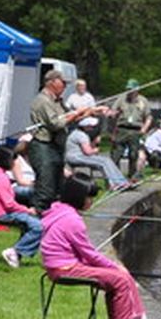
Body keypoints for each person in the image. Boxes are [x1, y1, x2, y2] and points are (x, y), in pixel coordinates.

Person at [40, 175, 148, 319]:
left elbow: (83, 252)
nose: (91, 201)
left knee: (115, 278)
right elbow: (89, 254)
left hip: (56, 266)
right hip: (64, 268)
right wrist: (116, 266)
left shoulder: (58, 210)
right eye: (89, 197)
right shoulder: (73, 220)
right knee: (120, 279)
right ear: (78, 197)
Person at [28, 69, 93, 214]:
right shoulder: (42, 100)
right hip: (43, 146)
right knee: (45, 186)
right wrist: (75, 113)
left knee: (58, 186)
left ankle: (53, 217)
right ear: (52, 82)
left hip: (56, 147)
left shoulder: (57, 101)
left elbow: (68, 119)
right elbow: (56, 124)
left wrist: (85, 113)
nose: (64, 86)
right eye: (62, 83)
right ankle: (37, 219)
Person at [0, 146, 43, 268]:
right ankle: (15, 251)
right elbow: (9, 204)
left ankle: (17, 254)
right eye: (13, 161)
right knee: (39, 226)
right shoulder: (1, 178)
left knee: (31, 223)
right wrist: (27, 210)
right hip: (1, 213)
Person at [65, 123, 129, 190]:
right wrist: (98, 149)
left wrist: (95, 142)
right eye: (92, 127)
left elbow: (87, 147)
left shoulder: (75, 133)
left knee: (104, 162)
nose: (93, 129)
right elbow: (88, 152)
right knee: (105, 161)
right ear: (86, 127)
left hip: (73, 156)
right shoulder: (81, 135)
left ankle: (115, 183)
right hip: (77, 157)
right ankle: (118, 182)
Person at [111, 79, 152, 179]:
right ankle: (115, 178)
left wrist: (144, 129)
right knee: (116, 154)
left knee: (133, 155)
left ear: (137, 90)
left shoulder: (143, 101)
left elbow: (149, 117)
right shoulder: (121, 99)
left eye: (131, 89)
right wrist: (113, 114)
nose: (129, 91)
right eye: (128, 89)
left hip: (136, 130)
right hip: (122, 129)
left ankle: (132, 177)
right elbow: (113, 111)